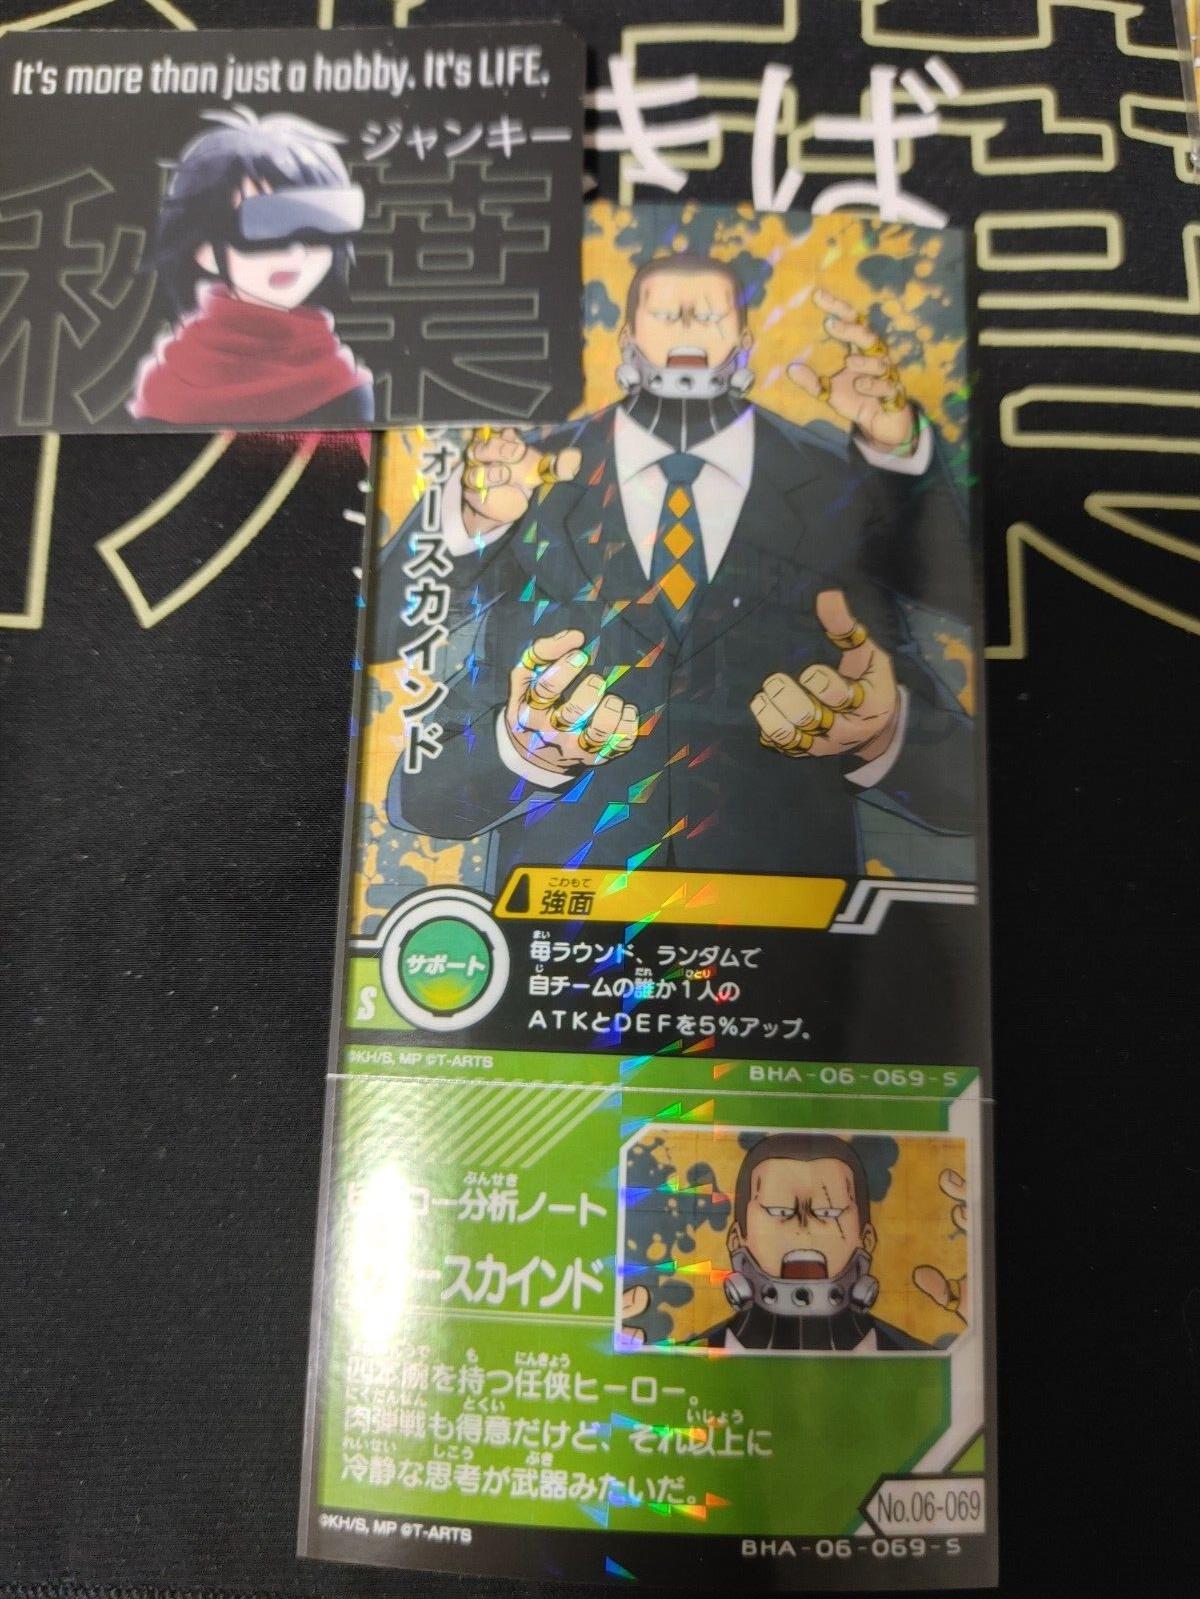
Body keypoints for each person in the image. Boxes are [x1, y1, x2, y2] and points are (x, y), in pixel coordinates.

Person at [374, 251, 973, 879]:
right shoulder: (526, 477)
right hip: (566, 898)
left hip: (789, 897)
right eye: (666, 312)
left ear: (745, 340)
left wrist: (882, 735)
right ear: (626, 338)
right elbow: (385, 649)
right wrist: (471, 522)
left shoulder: (834, 481)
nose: (687, 323)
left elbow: (963, 771)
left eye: (708, 313)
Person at [130, 106, 374, 427]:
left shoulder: (342, 386)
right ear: (205, 249)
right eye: (265, 225)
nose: (295, 251)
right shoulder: (168, 386)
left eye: (317, 223)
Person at [621, 1132, 969, 1353]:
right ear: (737, 1238)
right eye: (778, 1210)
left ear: (866, 1239)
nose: (804, 1228)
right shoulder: (679, 1363)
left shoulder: (931, 1363)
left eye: (829, 1212)